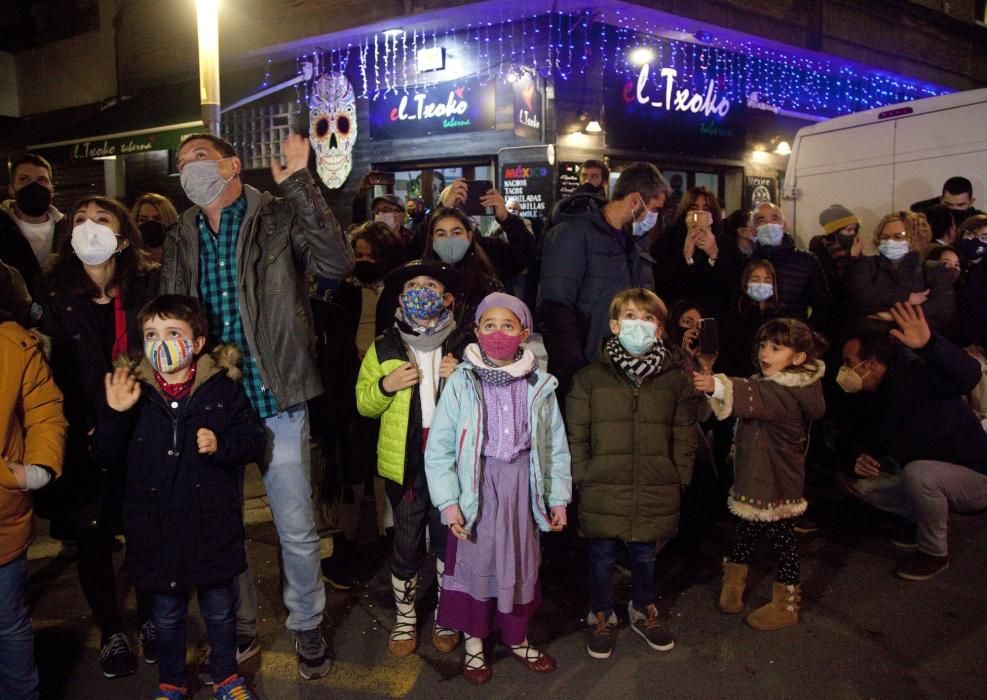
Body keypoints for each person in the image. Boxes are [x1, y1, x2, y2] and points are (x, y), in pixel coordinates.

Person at [160, 132, 352, 679]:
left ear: (231, 164)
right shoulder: (181, 233)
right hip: (211, 403)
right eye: (180, 165)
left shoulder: (278, 216)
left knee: (294, 524)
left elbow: (336, 263)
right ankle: (239, 626)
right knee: (221, 527)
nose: (186, 171)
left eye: (195, 158)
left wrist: (299, 181)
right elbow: (170, 314)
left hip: (276, 397)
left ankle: (306, 624)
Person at [97, 295, 266, 700]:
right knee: (168, 614)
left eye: (174, 333)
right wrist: (116, 414)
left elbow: (253, 439)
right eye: (151, 334)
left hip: (212, 525)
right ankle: (171, 682)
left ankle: (226, 676)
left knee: (220, 610)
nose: (161, 343)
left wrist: (221, 443)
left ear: (199, 341)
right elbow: (105, 456)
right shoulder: (134, 391)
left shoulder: (223, 389)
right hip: (156, 530)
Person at [38, 195, 159, 679]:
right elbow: (49, 372)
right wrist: (81, 422)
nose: (89, 227)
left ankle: (150, 617)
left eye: (101, 220)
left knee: (147, 529)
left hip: (144, 427)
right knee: (93, 536)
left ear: (123, 236)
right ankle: (111, 628)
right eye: (81, 221)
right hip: (87, 433)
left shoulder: (148, 286)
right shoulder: (55, 296)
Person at [425, 292, 571, 683]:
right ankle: (475, 645)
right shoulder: (461, 381)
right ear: (476, 331)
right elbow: (439, 448)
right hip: (479, 488)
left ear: (524, 333)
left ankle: (517, 637)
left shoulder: (539, 384)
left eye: (508, 326)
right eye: (489, 325)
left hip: (522, 487)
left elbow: (555, 444)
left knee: (520, 564)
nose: (498, 333)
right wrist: (449, 503)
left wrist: (557, 497)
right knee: (478, 564)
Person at [566, 288, 697, 661]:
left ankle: (642, 609)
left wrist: (679, 477)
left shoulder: (675, 380)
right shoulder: (589, 379)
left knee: (644, 555)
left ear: (659, 329)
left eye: (648, 318)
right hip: (602, 484)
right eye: (630, 317)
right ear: (613, 325)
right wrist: (583, 476)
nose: (638, 325)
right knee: (602, 555)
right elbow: (577, 434)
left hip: (655, 484)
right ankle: (601, 614)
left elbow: (685, 435)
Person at [355, 259, 468, 660]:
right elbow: (364, 404)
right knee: (405, 540)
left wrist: (465, 376)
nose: (422, 292)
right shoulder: (383, 346)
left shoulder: (463, 345)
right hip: (405, 463)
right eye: (413, 286)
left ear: (448, 298)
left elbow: (488, 401)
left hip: (452, 464)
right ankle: (405, 617)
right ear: (400, 298)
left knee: (447, 541)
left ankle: (446, 614)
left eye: (431, 285)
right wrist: (385, 386)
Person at [838, 303, 987, 580]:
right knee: (859, 485)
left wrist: (930, 344)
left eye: (848, 363)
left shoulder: (916, 375)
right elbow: (855, 437)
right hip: (922, 469)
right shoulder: (870, 395)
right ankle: (919, 520)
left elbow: (968, 374)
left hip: (974, 475)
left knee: (919, 474)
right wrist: (857, 457)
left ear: (870, 364)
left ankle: (933, 552)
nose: (843, 370)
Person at [693, 318, 826, 630]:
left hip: (778, 481)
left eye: (776, 348)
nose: (766, 353)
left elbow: (756, 396)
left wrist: (717, 385)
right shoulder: (777, 382)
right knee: (747, 529)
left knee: (783, 541)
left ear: (798, 358)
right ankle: (734, 583)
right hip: (758, 477)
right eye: (764, 345)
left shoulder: (788, 392)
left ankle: (786, 604)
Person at [312, 222, 405, 589]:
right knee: (351, 470)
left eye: (372, 256)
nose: (365, 262)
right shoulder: (339, 291)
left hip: (389, 385)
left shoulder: (396, 290)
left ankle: (388, 539)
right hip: (347, 390)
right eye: (359, 255)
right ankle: (345, 546)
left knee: (385, 466)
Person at [538, 162, 669, 397]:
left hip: (622, 373)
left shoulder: (631, 244)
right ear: (635, 201)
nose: (655, 218)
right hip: (585, 374)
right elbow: (555, 308)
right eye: (655, 209)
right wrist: (575, 372)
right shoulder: (573, 234)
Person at [0, 306, 67, 700]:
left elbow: (43, 409)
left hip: (2, 521)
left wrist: (36, 468)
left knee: (8, 626)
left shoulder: (13, 342)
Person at [843, 212, 955, 335]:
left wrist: (893, 316)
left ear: (916, 238)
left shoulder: (934, 270)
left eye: (899, 236)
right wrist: (907, 297)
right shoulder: (867, 265)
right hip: (872, 344)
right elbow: (860, 299)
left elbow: (942, 311)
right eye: (885, 237)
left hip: (918, 346)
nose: (890, 241)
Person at [651, 186, 745, 314]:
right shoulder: (667, 241)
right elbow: (662, 284)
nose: (700, 213)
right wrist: (686, 257)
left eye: (706, 209)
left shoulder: (727, 243)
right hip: (678, 317)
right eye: (694, 208)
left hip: (716, 317)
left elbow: (733, 285)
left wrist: (715, 255)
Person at [419, 207, 505, 339]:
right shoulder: (419, 285)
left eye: (456, 233)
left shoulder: (489, 287)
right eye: (441, 234)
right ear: (432, 239)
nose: (449, 239)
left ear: (469, 236)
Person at [433, 180, 538, 284]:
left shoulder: (489, 249)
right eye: (452, 209)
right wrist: (442, 210)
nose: (458, 215)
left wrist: (506, 218)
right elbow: (418, 245)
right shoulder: (429, 253)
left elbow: (526, 256)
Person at [749, 203, 832, 332]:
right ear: (753, 230)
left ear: (784, 226)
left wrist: (805, 335)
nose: (769, 225)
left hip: (793, 340)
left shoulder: (807, 261)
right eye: (761, 220)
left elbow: (823, 306)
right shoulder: (747, 263)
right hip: (754, 340)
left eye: (775, 218)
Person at [0, 153, 71, 298]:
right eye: (24, 179)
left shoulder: (70, 228)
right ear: (11, 189)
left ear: (52, 190)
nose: (34, 186)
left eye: (41, 180)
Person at [718, 260, 782, 378]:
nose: (761, 285)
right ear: (746, 282)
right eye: (755, 279)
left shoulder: (780, 314)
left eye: (767, 280)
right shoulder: (735, 313)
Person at [809, 203, 861, 300]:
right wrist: (853, 258)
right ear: (834, 232)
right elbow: (836, 285)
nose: (853, 234)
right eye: (849, 230)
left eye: (855, 230)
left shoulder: (853, 248)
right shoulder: (821, 248)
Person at [131, 193, 179, 264]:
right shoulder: (129, 260)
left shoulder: (184, 258)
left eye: (157, 219)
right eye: (142, 219)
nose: (150, 224)